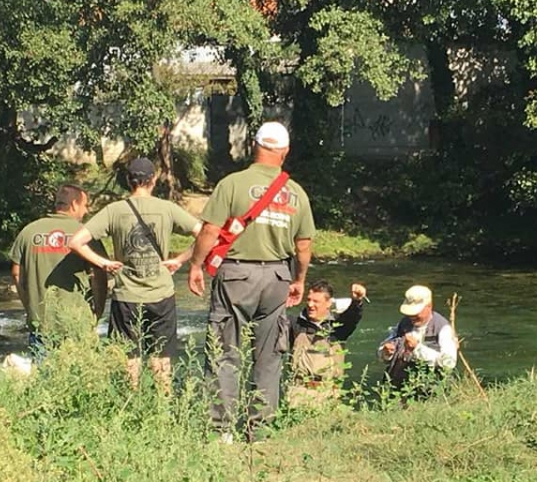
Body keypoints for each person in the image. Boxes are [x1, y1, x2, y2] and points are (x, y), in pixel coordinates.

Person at [188, 121, 315, 439]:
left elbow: (209, 232)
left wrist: (194, 265)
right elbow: (303, 246)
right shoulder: (296, 193)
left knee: (224, 351)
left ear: (253, 146)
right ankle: (259, 430)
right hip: (277, 276)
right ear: (284, 152)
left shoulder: (232, 184)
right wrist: (299, 280)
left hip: (236, 276)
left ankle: (221, 432)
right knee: (269, 354)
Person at [68, 157, 201, 392]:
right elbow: (204, 234)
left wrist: (104, 263)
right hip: (161, 294)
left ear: (129, 181)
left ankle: (131, 403)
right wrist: (180, 260)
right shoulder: (167, 208)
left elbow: (76, 242)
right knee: (162, 356)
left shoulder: (114, 211)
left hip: (126, 296)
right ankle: (163, 405)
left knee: (129, 355)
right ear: (153, 180)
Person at [10, 184, 108, 349]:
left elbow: (16, 273)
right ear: (75, 204)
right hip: (77, 324)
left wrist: (29, 306)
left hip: (40, 324)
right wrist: (97, 313)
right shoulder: (86, 234)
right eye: (85, 206)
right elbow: (99, 276)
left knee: (44, 373)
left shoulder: (29, 231)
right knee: (77, 373)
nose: (86, 211)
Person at [285, 280, 367, 409]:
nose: (310, 305)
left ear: (328, 303)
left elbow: (352, 317)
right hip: (297, 393)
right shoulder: (295, 324)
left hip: (328, 393)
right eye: (309, 300)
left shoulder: (337, 328)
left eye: (316, 301)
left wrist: (357, 301)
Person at [378, 285, 457, 391]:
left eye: (416, 312)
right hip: (400, 388)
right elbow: (383, 351)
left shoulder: (443, 328)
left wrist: (417, 349)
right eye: (410, 313)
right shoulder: (403, 324)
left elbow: (449, 363)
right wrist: (386, 352)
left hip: (431, 389)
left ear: (429, 306)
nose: (412, 316)